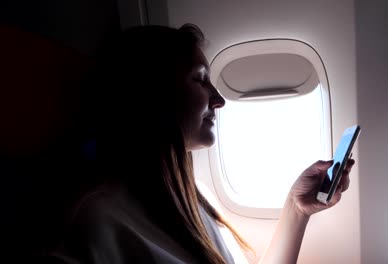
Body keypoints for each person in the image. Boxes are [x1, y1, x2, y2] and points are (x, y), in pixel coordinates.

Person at [45, 24, 355, 264]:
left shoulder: (196, 196)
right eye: (200, 79)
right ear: (152, 90)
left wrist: (297, 209)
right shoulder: (95, 221)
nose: (219, 100)